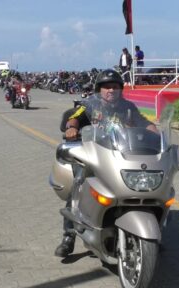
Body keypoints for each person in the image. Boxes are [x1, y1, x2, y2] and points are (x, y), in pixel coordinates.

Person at [55, 69, 157, 257]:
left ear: (120, 89)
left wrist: (155, 131)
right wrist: (71, 129)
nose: (111, 90)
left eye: (115, 87)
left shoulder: (128, 107)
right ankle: (68, 236)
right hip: (94, 155)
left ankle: (153, 237)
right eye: (106, 87)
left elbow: (142, 121)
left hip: (120, 154)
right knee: (77, 184)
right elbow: (73, 118)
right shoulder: (89, 105)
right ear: (99, 89)